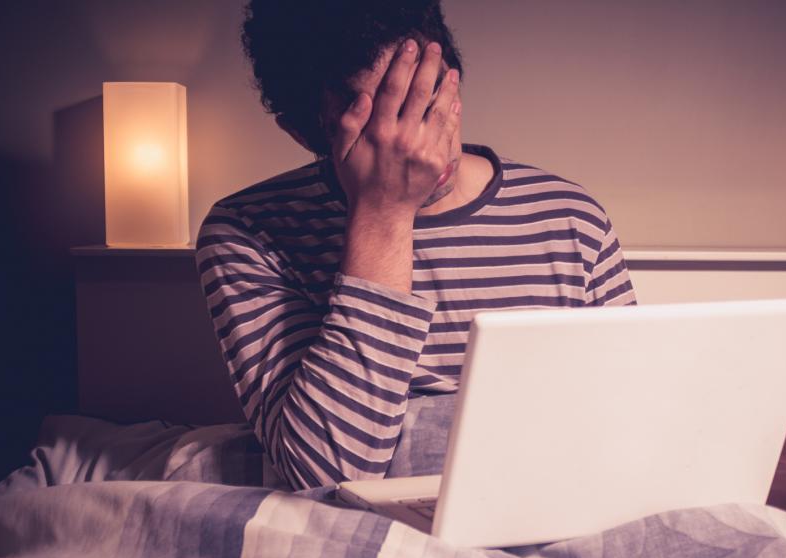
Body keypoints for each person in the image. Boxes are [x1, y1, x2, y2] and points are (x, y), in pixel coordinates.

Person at [196, 0, 637, 490]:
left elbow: (631, 430)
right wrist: (384, 212)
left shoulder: (572, 218)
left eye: (427, 105)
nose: (422, 148)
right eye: (378, 127)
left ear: (453, 80)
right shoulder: (247, 230)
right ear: (302, 133)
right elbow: (327, 476)